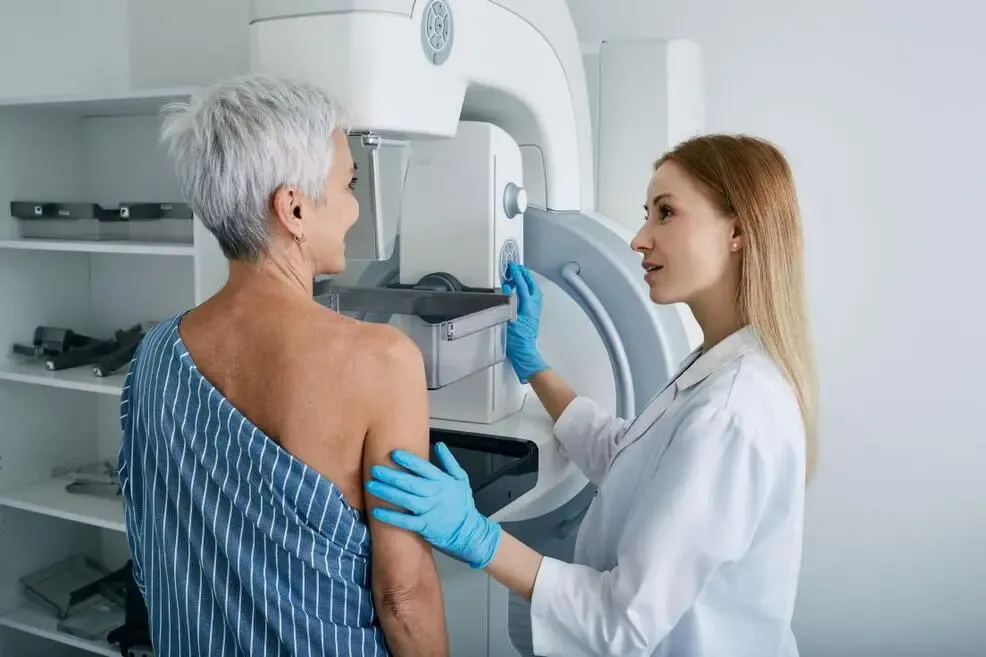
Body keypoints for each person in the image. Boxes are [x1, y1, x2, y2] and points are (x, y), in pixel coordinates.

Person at [366, 133, 818, 657]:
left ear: (737, 231)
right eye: (647, 213)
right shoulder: (723, 366)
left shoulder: (730, 412)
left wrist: (477, 538)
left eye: (666, 213)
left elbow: (620, 624)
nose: (639, 238)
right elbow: (630, 459)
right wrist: (532, 363)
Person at [117, 74, 449, 657]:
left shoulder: (154, 356)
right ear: (293, 207)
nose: (354, 207)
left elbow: (148, 547)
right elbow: (403, 595)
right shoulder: (382, 360)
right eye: (348, 184)